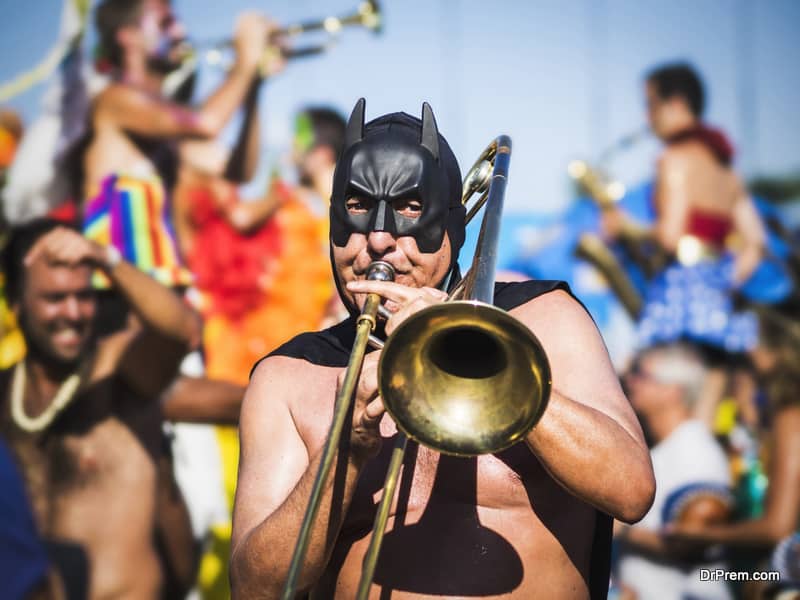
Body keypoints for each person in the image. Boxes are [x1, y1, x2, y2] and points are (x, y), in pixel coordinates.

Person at [229, 99, 656, 599]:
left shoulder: (543, 319)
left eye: (411, 208)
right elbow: (254, 589)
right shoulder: (290, 377)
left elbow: (631, 490)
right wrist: (343, 454)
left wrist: (492, 370)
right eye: (357, 209)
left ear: (451, 228)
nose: (380, 240)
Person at [0, 218, 201, 599]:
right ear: (15, 305)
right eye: (54, 298)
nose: (74, 313)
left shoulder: (120, 373)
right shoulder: (5, 394)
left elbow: (182, 332)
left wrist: (104, 258)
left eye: (85, 295)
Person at [82, 0, 272, 298]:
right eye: (165, 22)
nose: (181, 30)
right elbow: (207, 123)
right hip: (120, 295)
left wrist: (254, 84)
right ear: (128, 36)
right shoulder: (114, 100)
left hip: (166, 292)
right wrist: (245, 60)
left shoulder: (162, 129)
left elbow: (240, 172)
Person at [667, 311, 800, 598]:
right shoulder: (765, 419)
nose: (734, 370)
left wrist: (697, 535)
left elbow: (779, 527)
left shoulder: (791, 415)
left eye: (740, 360)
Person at [615, 342, 734, 600]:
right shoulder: (664, 448)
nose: (630, 381)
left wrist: (619, 529)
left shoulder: (696, 453)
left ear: (673, 391)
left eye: (641, 374)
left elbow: (690, 545)